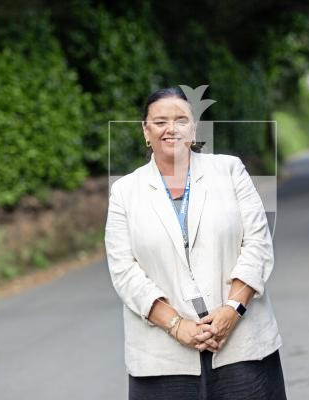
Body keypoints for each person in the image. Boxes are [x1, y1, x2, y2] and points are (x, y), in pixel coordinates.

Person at [104, 86, 287, 399]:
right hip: (162, 357)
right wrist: (178, 326)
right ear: (145, 131)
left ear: (194, 128)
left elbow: (257, 242)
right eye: (160, 122)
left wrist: (232, 310)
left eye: (181, 119)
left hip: (241, 344)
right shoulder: (125, 191)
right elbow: (124, 269)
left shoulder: (229, 171)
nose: (171, 129)